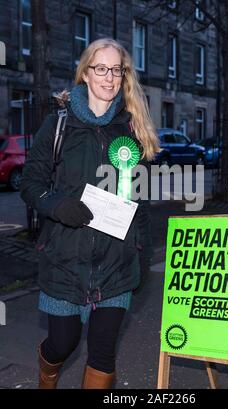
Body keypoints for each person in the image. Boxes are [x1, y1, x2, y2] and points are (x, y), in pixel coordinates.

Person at [20, 38, 159, 389]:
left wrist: (142, 257)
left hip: (116, 264)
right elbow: (30, 184)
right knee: (62, 344)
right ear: (85, 73)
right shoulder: (58, 126)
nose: (109, 77)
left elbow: (139, 203)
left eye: (117, 70)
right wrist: (57, 205)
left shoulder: (131, 131)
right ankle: (47, 369)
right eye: (101, 68)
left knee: (102, 353)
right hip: (65, 261)